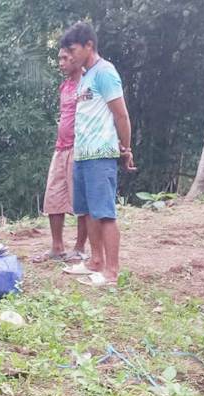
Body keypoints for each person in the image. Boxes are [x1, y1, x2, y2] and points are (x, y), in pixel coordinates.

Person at [60, 22, 136, 286]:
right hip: (83, 154)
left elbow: (121, 114)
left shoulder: (105, 72)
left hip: (101, 154)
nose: (70, 55)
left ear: (88, 45)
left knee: (104, 213)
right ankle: (95, 261)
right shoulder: (86, 76)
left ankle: (111, 272)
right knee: (88, 212)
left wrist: (125, 148)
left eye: (73, 49)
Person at [32, 47, 89, 264]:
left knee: (80, 200)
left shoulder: (87, 84)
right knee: (53, 197)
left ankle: (80, 248)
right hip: (61, 148)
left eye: (65, 58)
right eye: (59, 59)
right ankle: (57, 247)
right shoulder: (64, 86)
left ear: (77, 57)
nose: (61, 63)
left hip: (79, 148)